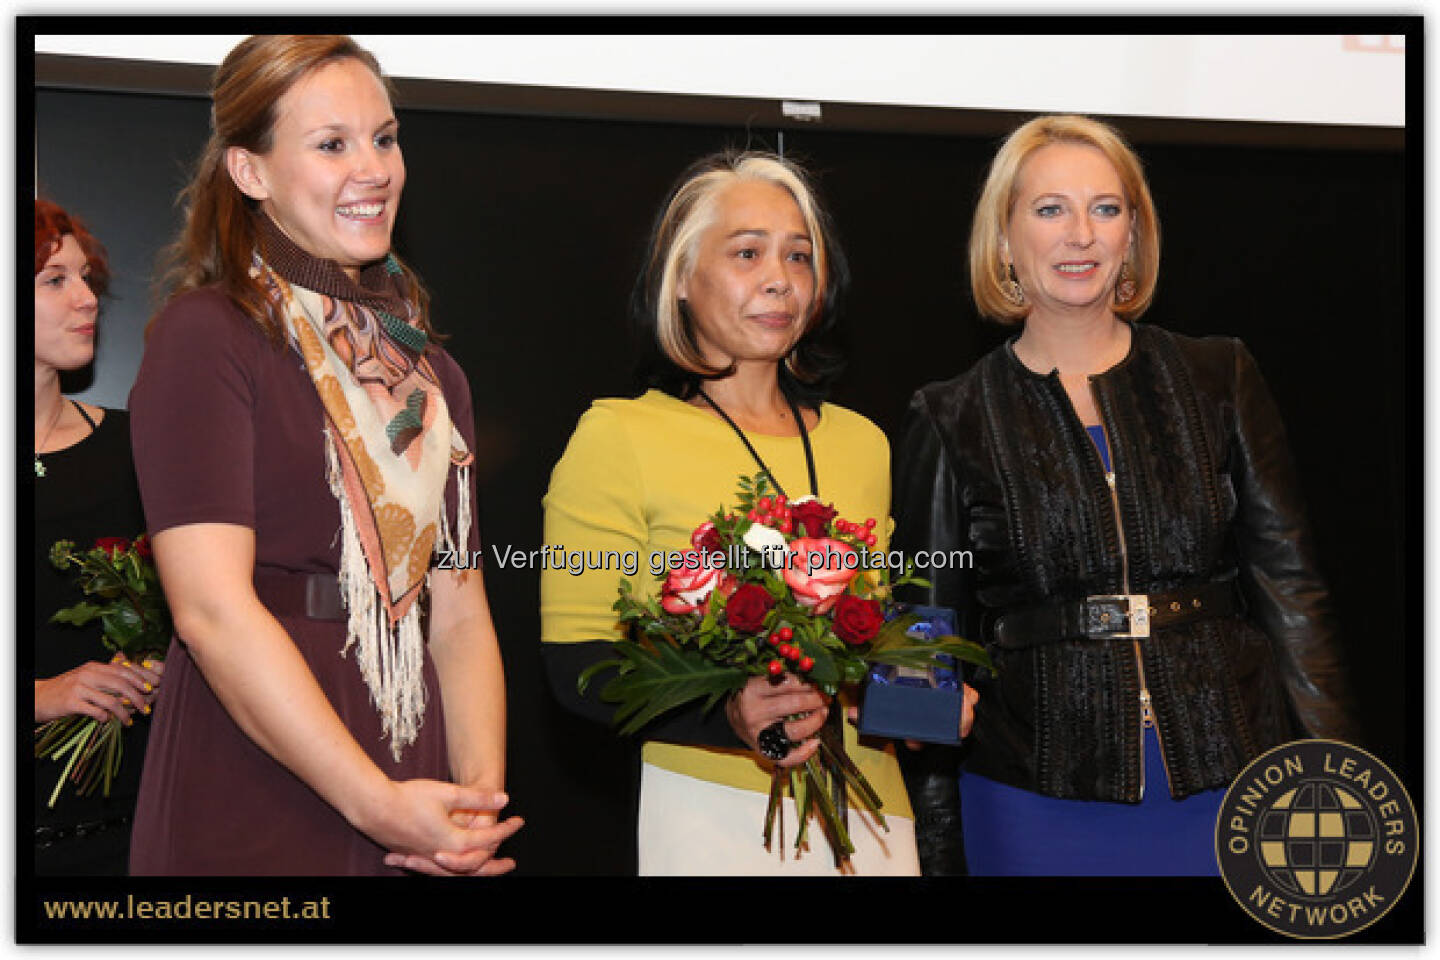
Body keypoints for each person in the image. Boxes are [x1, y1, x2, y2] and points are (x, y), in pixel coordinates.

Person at [892, 114, 1358, 876]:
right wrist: (937, 841)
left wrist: (1342, 775)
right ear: (1004, 239)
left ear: (1133, 235)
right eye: (1050, 210)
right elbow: (921, 630)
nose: (1081, 234)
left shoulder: (1221, 377)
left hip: (1234, 780)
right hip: (1031, 800)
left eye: (1105, 209)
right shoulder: (950, 415)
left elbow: (1294, 594)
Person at [126, 34, 520, 876]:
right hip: (262, 768)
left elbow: (457, 615)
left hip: (418, 758)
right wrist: (377, 803)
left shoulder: (432, 370)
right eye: (332, 144)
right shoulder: (208, 336)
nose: (373, 168)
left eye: (385, 137)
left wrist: (474, 804)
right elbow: (211, 614)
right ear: (251, 172)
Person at [541, 150, 971, 875]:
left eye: (799, 256)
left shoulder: (862, 442)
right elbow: (577, 669)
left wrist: (922, 698)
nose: (780, 278)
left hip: (874, 811)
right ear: (680, 278)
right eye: (748, 252)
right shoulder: (618, 434)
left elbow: (874, 639)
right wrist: (730, 715)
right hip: (709, 814)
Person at [32, 199, 162, 875]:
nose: (87, 299)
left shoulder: (135, 445)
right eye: (54, 280)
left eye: (86, 278)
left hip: (139, 832)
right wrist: (42, 695)